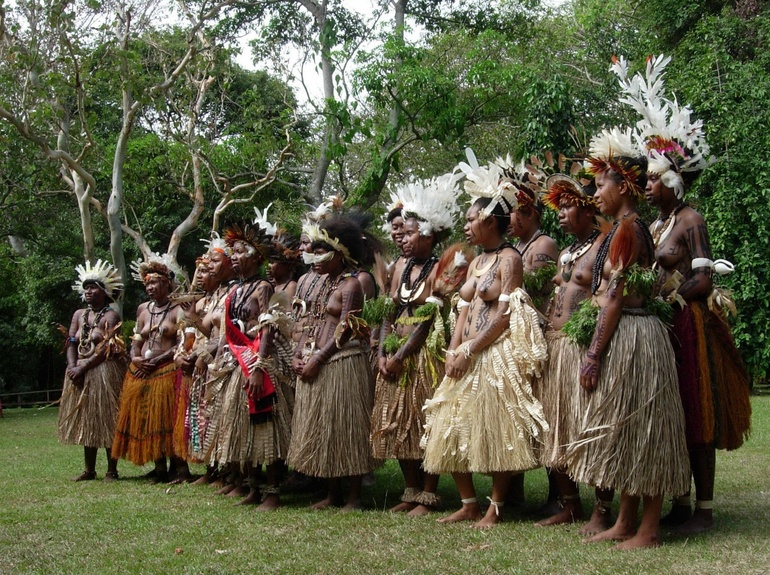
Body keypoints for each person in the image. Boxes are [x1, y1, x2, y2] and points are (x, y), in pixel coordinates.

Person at [612, 54, 751, 534]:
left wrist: (670, 299)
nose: (647, 185)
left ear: (673, 180)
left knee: (698, 414)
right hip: (664, 329)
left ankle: (704, 511)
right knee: (674, 414)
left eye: (653, 178)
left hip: (689, 327)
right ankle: (677, 500)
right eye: (647, 178)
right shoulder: (654, 222)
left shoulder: (690, 220)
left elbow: (704, 280)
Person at [564, 127, 689, 550]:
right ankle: (624, 520)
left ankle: (649, 529)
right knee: (629, 430)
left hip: (634, 334)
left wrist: (594, 354)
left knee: (645, 431)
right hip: (630, 334)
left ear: (624, 185)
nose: (595, 193)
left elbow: (615, 295)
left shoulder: (629, 230)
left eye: (601, 185)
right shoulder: (623, 226)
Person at [423, 156, 548, 528]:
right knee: (447, 425)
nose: (466, 225)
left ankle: (495, 507)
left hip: (494, 355)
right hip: (465, 353)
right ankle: (468, 502)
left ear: (490, 220)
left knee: (496, 430)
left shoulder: (510, 261)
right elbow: (464, 309)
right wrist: (454, 349)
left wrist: (472, 349)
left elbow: (506, 315)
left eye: (470, 218)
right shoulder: (477, 261)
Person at [372, 175, 461, 516]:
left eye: (409, 233)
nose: (403, 239)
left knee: (424, 423)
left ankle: (428, 494)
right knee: (397, 420)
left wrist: (400, 354)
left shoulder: (445, 267)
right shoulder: (400, 268)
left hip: (423, 353)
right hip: (394, 349)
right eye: (403, 233)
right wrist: (382, 352)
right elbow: (388, 310)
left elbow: (426, 319)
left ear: (429, 234)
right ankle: (410, 490)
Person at [534, 174, 614, 532]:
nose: (561, 214)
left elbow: (608, 295)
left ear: (586, 208)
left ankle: (602, 509)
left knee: (591, 426)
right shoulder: (569, 252)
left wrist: (592, 346)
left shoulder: (603, 246)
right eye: (560, 208)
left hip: (581, 346)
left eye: (567, 206)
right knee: (556, 426)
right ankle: (570, 505)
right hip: (555, 346)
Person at [288, 213, 377, 511]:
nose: (315, 259)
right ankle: (332, 494)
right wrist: (299, 354)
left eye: (321, 253)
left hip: (343, 360)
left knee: (347, 429)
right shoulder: (324, 282)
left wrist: (319, 359)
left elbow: (347, 328)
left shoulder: (351, 285)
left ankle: (353, 497)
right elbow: (309, 322)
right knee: (329, 428)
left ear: (340, 254)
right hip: (319, 360)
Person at [112, 255, 187, 483]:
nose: (150, 288)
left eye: (154, 283)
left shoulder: (177, 309)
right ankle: (159, 466)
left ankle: (180, 469)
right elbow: (136, 339)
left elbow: (182, 343)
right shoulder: (143, 309)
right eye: (147, 284)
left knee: (167, 419)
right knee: (148, 419)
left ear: (166, 283)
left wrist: (158, 360)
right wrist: (135, 358)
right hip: (142, 371)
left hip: (167, 369)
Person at [58, 260, 127, 482]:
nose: (88, 291)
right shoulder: (79, 314)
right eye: (86, 287)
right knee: (88, 418)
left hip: (102, 371)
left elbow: (107, 347)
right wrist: (72, 366)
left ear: (105, 291)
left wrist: (83, 366)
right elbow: (70, 340)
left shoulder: (111, 316)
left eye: (94, 287)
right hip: (79, 371)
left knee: (106, 418)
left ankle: (111, 470)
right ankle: (89, 470)